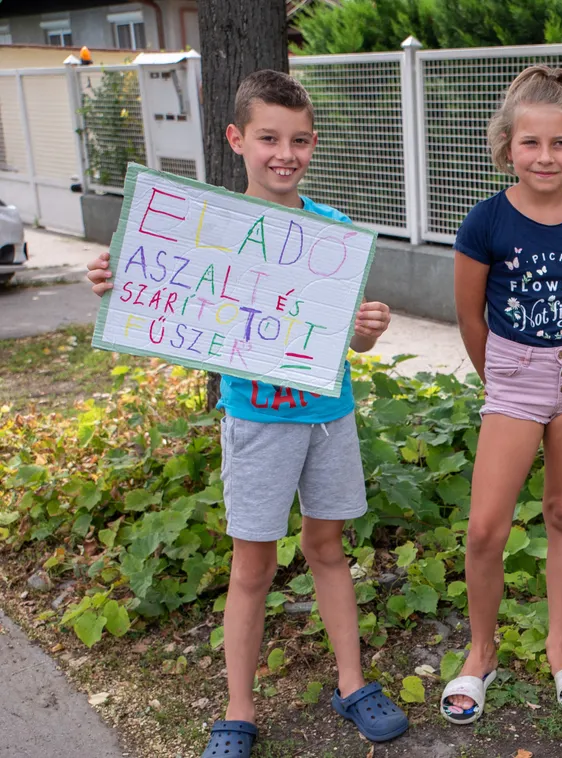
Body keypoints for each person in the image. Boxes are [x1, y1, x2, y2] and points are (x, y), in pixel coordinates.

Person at [85, 69, 407, 757]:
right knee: (251, 567)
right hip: (257, 424)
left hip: (328, 416)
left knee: (328, 549)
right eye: (267, 138)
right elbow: (162, 290)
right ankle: (237, 710)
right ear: (237, 139)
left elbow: (344, 335)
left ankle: (351, 684)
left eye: (297, 140)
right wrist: (123, 278)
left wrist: (368, 329)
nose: (282, 153)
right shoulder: (209, 230)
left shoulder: (335, 234)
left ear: (313, 144)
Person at [441, 65, 562, 723]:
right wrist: (505, 381)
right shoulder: (484, 223)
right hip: (513, 378)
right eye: (531, 143)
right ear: (506, 146)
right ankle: (480, 653)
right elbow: (469, 317)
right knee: (486, 527)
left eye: (559, 144)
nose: (545, 157)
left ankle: (558, 646)